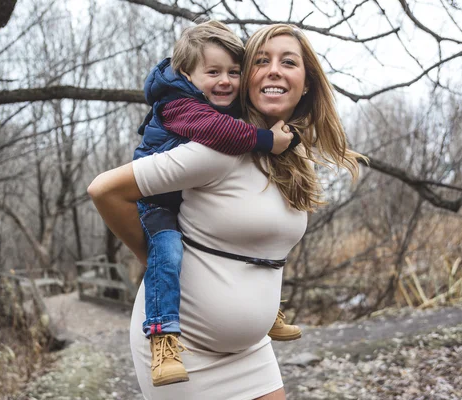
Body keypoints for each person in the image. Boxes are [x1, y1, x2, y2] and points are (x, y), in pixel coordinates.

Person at [88, 23, 362, 400]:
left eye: (289, 62)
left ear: (308, 81)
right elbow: (104, 191)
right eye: (262, 61)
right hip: (187, 352)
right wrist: (153, 255)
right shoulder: (219, 148)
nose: (275, 70)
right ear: (250, 78)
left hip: (251, 350)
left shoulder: (290, 153)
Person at [132, 20, 300, 387]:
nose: (225, 81)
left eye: (234, 72)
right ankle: (162, 335)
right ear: (187, 75)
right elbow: (219, 133)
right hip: (159, 203)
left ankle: (268, 313)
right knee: (168, 249)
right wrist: (266, 140)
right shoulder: (181, 107)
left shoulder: (218, 106)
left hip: (250, 351)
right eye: (213, 72)